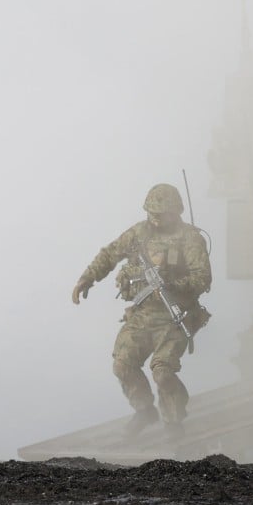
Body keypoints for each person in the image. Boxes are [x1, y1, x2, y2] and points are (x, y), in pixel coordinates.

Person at [72, 183, 212, 441]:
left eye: (160, 214)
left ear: (175, 211)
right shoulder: (139, 234)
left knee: (162, 372)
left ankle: (174, 421)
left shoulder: (190, 238)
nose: (154, 219)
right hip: (143, 313)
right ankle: (145, 410)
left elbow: (203, 278)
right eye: (151, 213)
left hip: (175, 314)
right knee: (122, 364)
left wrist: (172, 284)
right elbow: (110, 254)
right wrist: (87, 278)